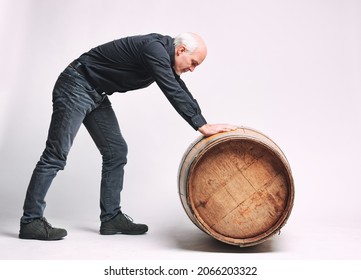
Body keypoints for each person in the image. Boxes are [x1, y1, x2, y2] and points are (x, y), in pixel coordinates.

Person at [19, 32, 237, 240]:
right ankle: (31, 221)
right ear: (180, 50)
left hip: (95, 93)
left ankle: (111, 218)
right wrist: (201, 125)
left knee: (116, 151)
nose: (192, 69)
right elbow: (171, 88)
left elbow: (179, 87)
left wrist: (203, 121)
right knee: (56, 154)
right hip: (76, 85)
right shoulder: (154, 49)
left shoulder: (162, 54)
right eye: (194, 63)